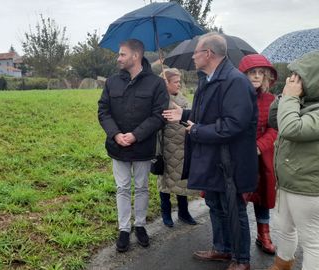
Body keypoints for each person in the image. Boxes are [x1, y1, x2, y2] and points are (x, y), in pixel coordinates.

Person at [162, 32, 258, 270]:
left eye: (196, 52)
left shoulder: (235, 81)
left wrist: (196, 131)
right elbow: (206, 114)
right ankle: (222, 249)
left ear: (208, 54)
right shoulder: (207, 79)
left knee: (233, 209)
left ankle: (242, 260)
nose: (193, 57)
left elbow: (234, 124)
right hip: (213, 159)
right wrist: (183, 115)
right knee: (215, 205)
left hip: (230, 160)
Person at [98, 39, 169, 252]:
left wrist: (136, 135)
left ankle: (139, 225)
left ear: (135, 56)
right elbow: (103, 111)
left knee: (141, 187)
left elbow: (159, 115)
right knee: (122, 188)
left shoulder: (156, 84)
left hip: (143, 147)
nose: (118, 58)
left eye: (122, 54)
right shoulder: (111, 82)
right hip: (117, 146)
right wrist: (116, 134)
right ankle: (124, 228)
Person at [267, 50, 319, 270]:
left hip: (307, 187)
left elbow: (291, 128)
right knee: (285, 228)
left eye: (300, 76)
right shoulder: (304, 102)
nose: (294, 80)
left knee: (313, 242)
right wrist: (285, 96)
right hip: (288, 181)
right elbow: (274, 121)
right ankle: (282, 265)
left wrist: (290, 97)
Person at [238, 54, 278, 255]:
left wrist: (259, 146)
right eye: (252, 72)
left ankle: (264, 234)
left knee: (263, 195)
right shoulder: (234, 97)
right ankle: (237, 238)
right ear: (243, 75)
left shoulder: (271, 100)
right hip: (239, 156)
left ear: (266, 77)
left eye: (260, 73)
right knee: (239, 197)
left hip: (261, 156)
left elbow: (274, 129)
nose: (256, 76)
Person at [158, 68, 198, 227]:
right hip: (167, 147)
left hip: (183, 146)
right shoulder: (159, 100)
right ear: (165, 83)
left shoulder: (184, 100)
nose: (179, 84)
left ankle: (183, 212)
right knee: (165, 182)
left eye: (179, 81)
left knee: (182, 181)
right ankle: (165, 212)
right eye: (175, 82)